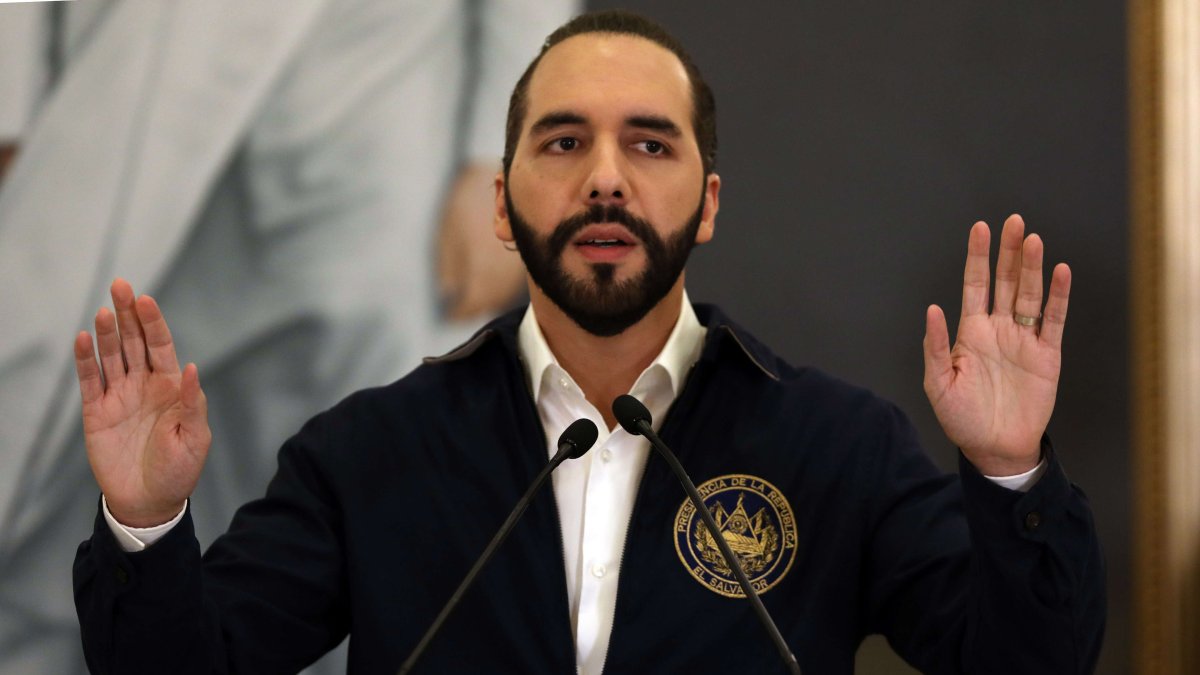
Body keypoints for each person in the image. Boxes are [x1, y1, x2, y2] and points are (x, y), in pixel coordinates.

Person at [71, 10, 1105, 674]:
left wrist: (1012, 475)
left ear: (705, 206)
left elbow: (1027, 665)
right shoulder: (368, 453)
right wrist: (145, 521)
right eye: (563, 142)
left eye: (648, 144)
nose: (605, 177)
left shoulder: (838, 445)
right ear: (502, 205)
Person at [0, 1, 576, 673]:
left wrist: (503, 152)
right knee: (95, 442)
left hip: (373, 93)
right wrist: (9, 105)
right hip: (145, 78)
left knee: (371, 491)